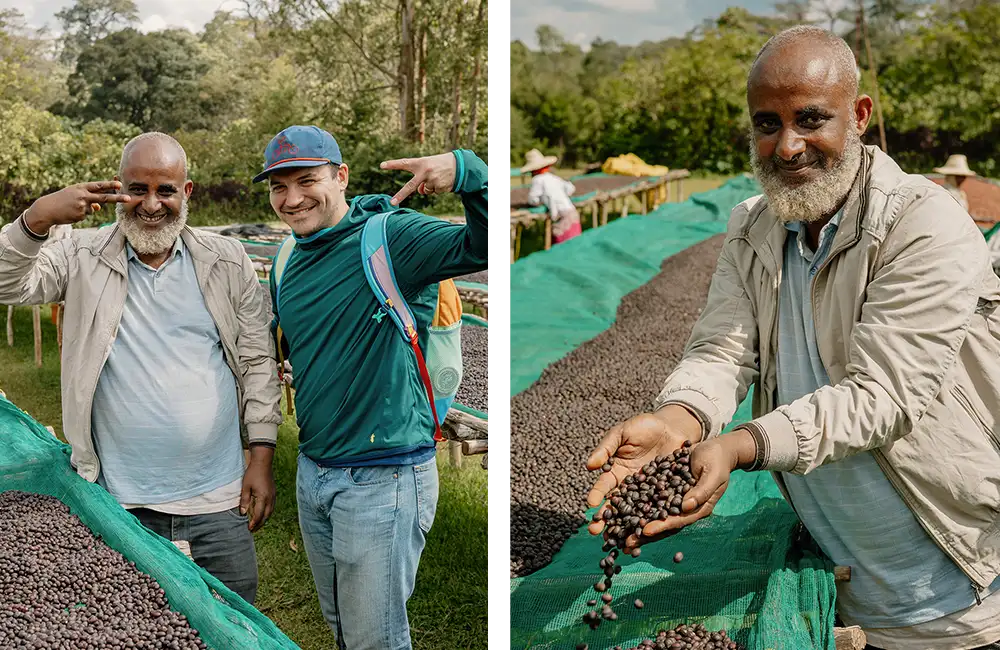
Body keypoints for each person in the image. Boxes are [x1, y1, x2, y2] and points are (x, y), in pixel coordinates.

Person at [585, 26, 1000, 650]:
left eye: (810, 119)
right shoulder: (753, 227)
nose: (787, 146)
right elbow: (723, 349)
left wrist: (742, 444)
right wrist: (680, 419)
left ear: (858, 116)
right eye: (767, 124)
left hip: (958, 584)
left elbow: (884, 395)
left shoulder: (921, 222)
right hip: (847, 585)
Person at [0, 132, 282, 605]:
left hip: (219, 498)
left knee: (232, 621)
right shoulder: (81, 255)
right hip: (119, 502)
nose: (150, 205)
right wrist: (38, 217)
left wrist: (261, 456)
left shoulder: (225, 260)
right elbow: (8, 284)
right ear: (117, 189)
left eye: (165, 190)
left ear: (186, 192)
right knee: (132, 624)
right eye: (137, 189)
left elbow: (257, 361)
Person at [256, 125, 487, 650]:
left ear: (339, 177)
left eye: (306, 181)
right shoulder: (286, 259)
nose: (292, 200)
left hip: (383, 478)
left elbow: (485, 245)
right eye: (278, 187)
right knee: (343, 629)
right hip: (314, 473)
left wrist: (467, 171)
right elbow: (300, 345)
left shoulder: (391, 238)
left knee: (373, 640)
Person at [522, 148, 582, 243]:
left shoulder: (537, 180)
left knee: (562, 247)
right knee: (575, 245)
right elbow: (570, 188)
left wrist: (539, 202)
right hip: (572, 212)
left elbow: (532, 199)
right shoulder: (553, 177)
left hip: (563, 216)